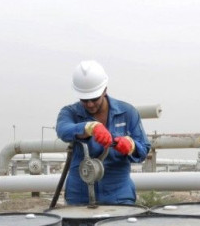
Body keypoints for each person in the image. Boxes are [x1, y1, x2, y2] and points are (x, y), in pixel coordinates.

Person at [56, 60, 151, 205]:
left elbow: (143, 149)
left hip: (119, 195)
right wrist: (89, 128)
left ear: (105, 90)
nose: (90, 104)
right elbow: (63, 130)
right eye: (84, 100)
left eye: (94, 99)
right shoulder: (70, 113)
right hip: (80, 196)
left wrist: (132, 146)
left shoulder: (128, 113)